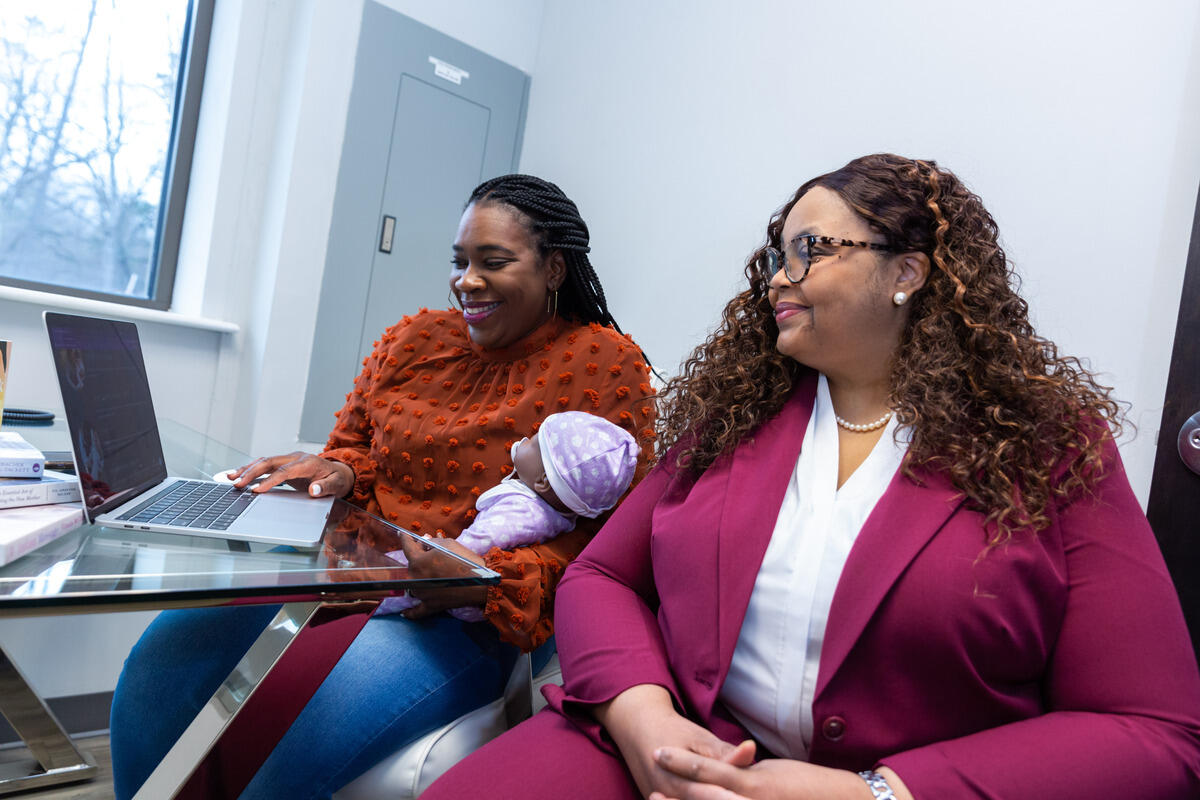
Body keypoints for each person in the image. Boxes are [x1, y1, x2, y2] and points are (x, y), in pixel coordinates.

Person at [422, 154, 1200, 800]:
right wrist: (641, 717)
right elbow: (602, 577)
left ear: (908, 272)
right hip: (682, 753)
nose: (776, 280)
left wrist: (878, 794)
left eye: (809, 252)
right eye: (774, 256)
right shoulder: (734, 417)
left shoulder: (1048, 447)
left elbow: (1154, 731)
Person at [107, 174, 657, 799]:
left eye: (493, 262)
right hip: (341, 575)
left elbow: (604, 544)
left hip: (454, 614)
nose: (467, 281)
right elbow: (357, 449)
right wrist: (337, 470)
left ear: (555, 268)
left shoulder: (604, 364)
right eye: (460, 261)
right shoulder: (414, 340)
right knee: (159, 669)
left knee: (297, 747)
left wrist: (479, 576)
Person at [378, 409, 639, 620]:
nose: (525, 439)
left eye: (535, 441)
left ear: (543, 481)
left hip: (450, 588)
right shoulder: (555, 514)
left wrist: (430, 553)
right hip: (466, 588)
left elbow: (470, 548)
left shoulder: (522, 511)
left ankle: (369, 601)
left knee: (381, 583)